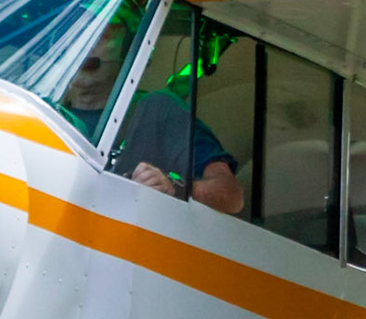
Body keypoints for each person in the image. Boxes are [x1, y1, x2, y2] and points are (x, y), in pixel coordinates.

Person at [62, 24, 244, 215]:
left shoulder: (159, 108)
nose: (84, 44)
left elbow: (231, 196)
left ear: (129, 51)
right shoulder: (45, 110)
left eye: (102, 35)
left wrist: (175, 187)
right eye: (79, 33)